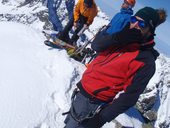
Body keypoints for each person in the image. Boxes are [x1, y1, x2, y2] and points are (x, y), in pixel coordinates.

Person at [63, 7, 167, 128]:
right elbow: (96, 46)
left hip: (93, 103)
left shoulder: (145, 60)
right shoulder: (124, 36)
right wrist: (118, 38)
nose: (135, 25)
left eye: (142, 23)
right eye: (134, 20)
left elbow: (129, 98)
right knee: (68, 123)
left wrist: (101, 118)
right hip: (81, 91)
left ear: (150, 30)